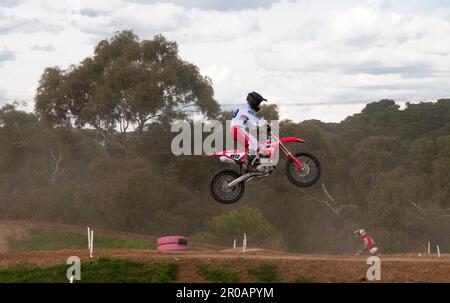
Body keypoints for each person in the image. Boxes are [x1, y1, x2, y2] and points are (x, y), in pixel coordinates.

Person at [230, 92, 267, 170]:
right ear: (253, 101)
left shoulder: (244, 108)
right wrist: (264, 124)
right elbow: (253, 118)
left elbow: (251, 124)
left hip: (236, 129)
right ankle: (249, 166)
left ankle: (247, 165)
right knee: (253, 142)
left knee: (253, 146)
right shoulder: (246, 108)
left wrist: (260, 129)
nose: (258, 105)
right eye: (258, 103)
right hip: (237, 129)